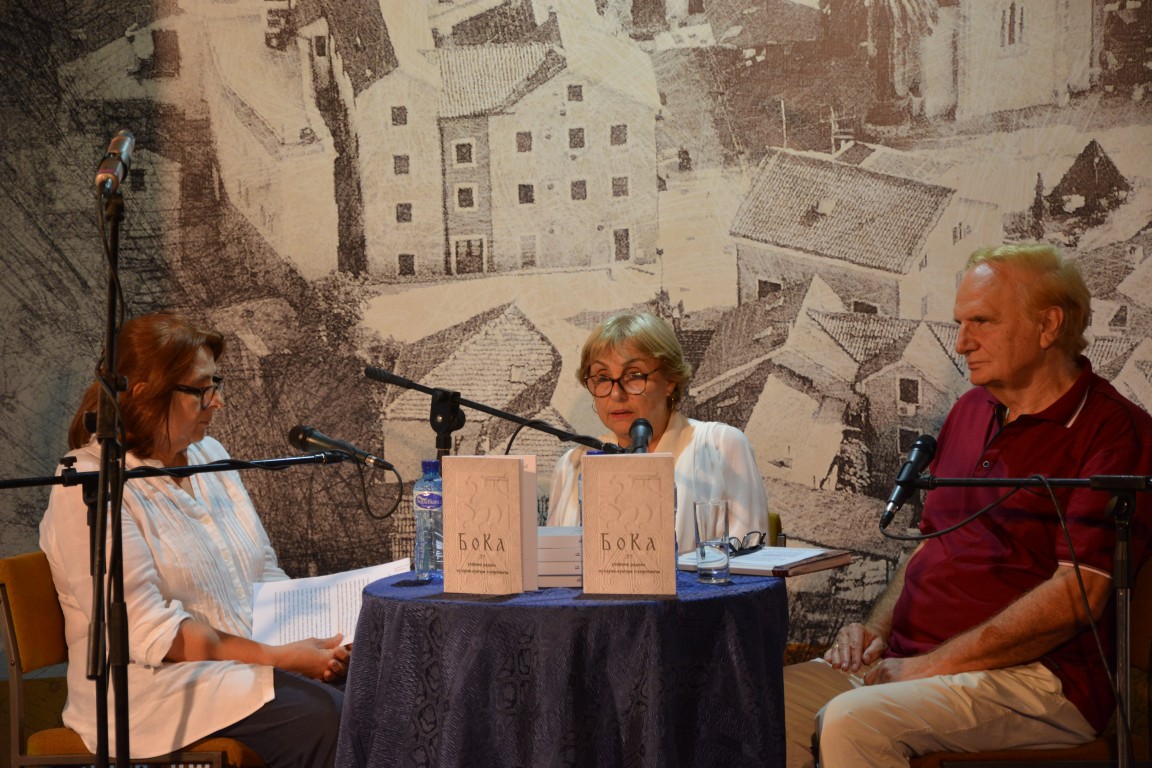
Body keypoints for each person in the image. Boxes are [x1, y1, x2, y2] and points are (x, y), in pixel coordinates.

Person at [784, 243, 1152, 767]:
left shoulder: (1115, 431)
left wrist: (929, 666)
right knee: (756, 705)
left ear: (1048, 325)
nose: (961, 343)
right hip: (914, 664)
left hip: (1037, 681)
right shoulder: (970, 408)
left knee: (852, 721)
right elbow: (930, 545)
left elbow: (1078, 596)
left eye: (981, 322)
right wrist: (876, 632)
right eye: (960, 323)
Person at [39, 313, 347, 767]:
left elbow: (262, 568)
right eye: (202, 388)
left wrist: (313, 640)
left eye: (215, 384)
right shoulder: (88, 484)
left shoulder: (209, 454)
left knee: (374, 685)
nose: (217, 401)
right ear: (144, 393)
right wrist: (280, 658)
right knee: (326, 718)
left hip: (246, 665)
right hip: (158, 692)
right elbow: (154, 634)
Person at [547, 311, 769, 553]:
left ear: (670, 380)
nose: (616, 394)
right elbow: (553, 566)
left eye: (634, 375)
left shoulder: (720, 447)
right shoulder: (571, 465)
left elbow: (748, 563)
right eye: (602, 377)